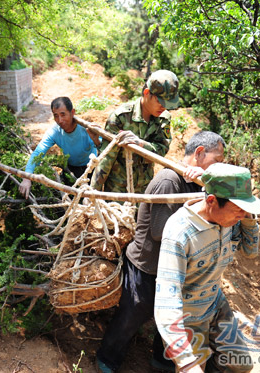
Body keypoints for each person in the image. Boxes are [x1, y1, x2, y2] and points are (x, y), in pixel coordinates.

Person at [96, 131, 226, 373]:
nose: (219, 166)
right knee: (133, 314)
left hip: (175, 269)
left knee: (170, 317)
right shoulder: (169, 179)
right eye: (217, 160)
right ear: (199, 153)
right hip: (147, 265)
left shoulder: (199, 183)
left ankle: (161, 359)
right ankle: (107, 359)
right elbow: (160, 231)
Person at [154, 163, 260, 372]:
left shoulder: (229, 220)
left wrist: (248, 215)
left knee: (241, 363)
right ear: (212, 201)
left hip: (215, 304)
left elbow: (251, 252)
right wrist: (187, 362)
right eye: (238, 210)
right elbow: (166, 303)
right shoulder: (180, 233)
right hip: (188, 317)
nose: (241, 216)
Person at [90, 69, 179, 194]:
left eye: (167, 103)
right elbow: (106, 159)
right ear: (147, 93)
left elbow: (161, 150)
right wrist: (92, 193)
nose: (164, 107)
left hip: (145, 191)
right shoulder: (120, 117)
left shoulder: (163, 119)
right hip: (118, 192)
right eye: (160, 101)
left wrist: (140, 144)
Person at [19, 97, 101, 197]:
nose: (60, 120)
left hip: (90, 171)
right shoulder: (55, 132)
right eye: (56, 116)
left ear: (72, 112)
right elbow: (38, 153)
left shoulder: (87, 129)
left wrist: (97, 141)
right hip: (70, 170)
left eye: (63, 114)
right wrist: (27, 177)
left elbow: (103, 151)